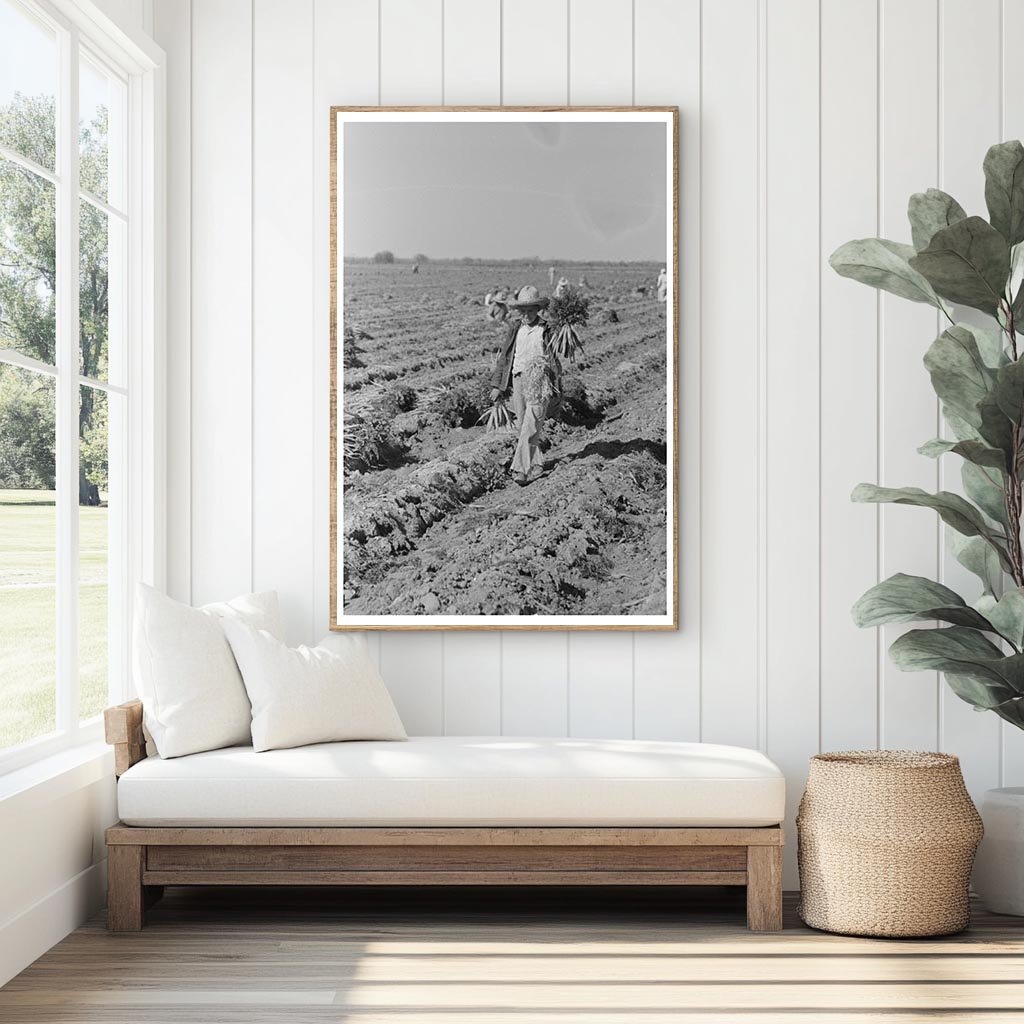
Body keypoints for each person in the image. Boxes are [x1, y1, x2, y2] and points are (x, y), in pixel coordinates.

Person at [490, 285, 560, 486]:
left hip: (540, 380)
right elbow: (504, 358)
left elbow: (560, 352)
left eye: (531, 310)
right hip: (518, 379)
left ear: (538, 309)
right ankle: (536, 464)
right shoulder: (516, 329)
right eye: (524, 310)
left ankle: (520, 469)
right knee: (523, 426)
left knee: (531, 425)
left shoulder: (546, 329)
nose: (527, 314)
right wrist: (498, 386)